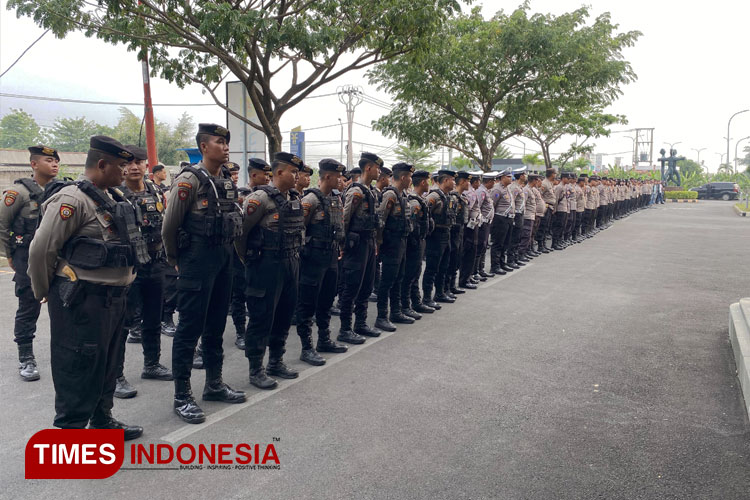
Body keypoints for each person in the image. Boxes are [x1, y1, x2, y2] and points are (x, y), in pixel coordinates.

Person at [28, 135, 145, 439]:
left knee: (107, 362)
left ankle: (102, 420)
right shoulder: (72, 199)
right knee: (78, 364)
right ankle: (71, 433)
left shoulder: (113, 196)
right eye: (121, 165)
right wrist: (42, 292)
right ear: (102, 164)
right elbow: (42, 250)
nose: (126, 169)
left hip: (114, 298)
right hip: (83, 300)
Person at [162, 123, 246, 424]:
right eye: (219, 142)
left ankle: (214, 384)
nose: (225, 147)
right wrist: (175, 259)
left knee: (215, 325)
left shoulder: (224, 178)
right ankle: (182, 395)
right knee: (189, 327)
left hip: (222, 258)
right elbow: (170, 225)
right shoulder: (188, 179)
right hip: (197, 259)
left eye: (227, 142)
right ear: (203, 147)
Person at [236, 152, 304, 389]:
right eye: (293, 172)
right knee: (261, 317)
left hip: (290, 262)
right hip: (265, 265)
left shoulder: (294, 197)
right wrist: (249, 261)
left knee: (285, 314)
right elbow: (240, 234)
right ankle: (256, 369)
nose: (297, 176)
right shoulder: (259, 199)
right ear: (278, 173)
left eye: (298, 172)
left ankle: (276, 361)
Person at [114, 144, 172, 400]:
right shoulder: (113, 195)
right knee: (123, 322)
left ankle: (152, 364)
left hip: (156, 263)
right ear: (121, 166)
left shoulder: (156, 190)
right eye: (128, 162)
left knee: (153, 316)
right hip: (128, 266)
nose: (134, 166)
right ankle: (115, 375)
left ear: (146, 165)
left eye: (139, 161)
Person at [1, 145, 59, 381]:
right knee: (28, 308)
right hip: (26, 257)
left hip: (55, 258)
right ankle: (26, 357)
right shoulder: (19, 193)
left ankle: (65, 355)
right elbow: (2, 226)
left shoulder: (61, 190)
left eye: (56, 160)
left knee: (63, 307)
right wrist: (10, 257)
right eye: (48, 160)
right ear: (34, 164)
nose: (54, 164)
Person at [295, 159, 348, 366]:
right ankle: (306, 347)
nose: (341, 180)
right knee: (307, 303)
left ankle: (324, 339)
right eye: (337, 176)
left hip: (331, 256)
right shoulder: (310, 199)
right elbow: (300, 228)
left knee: (326, 300)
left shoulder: (335, 199)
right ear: (327, 176)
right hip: (313, 259)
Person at [337, 152, 383, 344]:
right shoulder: (355, 192)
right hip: (355, 246)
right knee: (352, 287)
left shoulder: (372, 191)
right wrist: (342, 246)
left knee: (366, 285)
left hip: (368, 243)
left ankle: (361, 323)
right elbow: (344, 219)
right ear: (368, 168)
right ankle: (345, 329)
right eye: (377, 168)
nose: (379, 172)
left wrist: (376, 244)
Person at [374, 162, 414, 332]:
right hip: (391, 243)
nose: (411, 180)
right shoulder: (390, 194)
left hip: (401, 242)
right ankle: (381, 316)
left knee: (399, 276)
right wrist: (378, 243)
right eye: (410, 176)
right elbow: (380, 220)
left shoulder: (402, 194)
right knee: (388, 279)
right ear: (403, 177)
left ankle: (396, 311)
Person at [400, 170, 434, 316]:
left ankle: (416, 302)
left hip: (420, 241)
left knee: (416, 273)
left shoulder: (420, 199)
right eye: (428, 180)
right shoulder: (414, 202)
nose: (430, 183)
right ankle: (405, 306)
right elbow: (412, 225)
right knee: (409, 275)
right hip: (414, 243)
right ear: (422, 182)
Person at [422, 169, 457, 307]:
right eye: (452, 180)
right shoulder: (434, 196)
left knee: (444, 265)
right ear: (446, 180)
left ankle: (440, 292)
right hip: (436, 235)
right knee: (432, 267)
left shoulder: (448, 196)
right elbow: (425, 214)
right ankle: (426, 297)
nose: (454, 182)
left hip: (446, 233)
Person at [445, 170, 470, 296]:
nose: (469, 184)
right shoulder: (453, 197)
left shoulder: (461, 197)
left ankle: (452, 286)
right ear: (463, 182)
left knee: (457, 259)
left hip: (460, 230)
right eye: (467, 181)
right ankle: (446, 288)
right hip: (453, 231)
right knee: (451, 259)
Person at [458, 172, 482, 289]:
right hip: (469, 227)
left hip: (473, 225)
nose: (469, 183)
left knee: (471, 251)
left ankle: (468, 276)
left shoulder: (471, 192)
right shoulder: (469, 193)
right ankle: (464, 279)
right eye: (467, 181)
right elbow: (467, 211)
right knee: (468, 252)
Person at [489, 168, 514, 274]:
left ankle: (502, 263)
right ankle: (495, 266)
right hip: (500, 219)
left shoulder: (507, 188)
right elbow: (492, 205)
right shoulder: (497, 189)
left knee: (505, 243)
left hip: (508, 218)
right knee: (498, 243)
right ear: (502, 178)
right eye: (508, 177)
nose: (511, 178)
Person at [474, 172, 496, 280]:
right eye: (493, 181)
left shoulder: (486, 191)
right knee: (479, 246)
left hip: (487, 223)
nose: (494, 183)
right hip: (482, 223)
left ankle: (480, 269)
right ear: (489, 182)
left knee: (483, 246)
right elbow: (478, 207)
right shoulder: (481, 191)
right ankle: (475, 271)